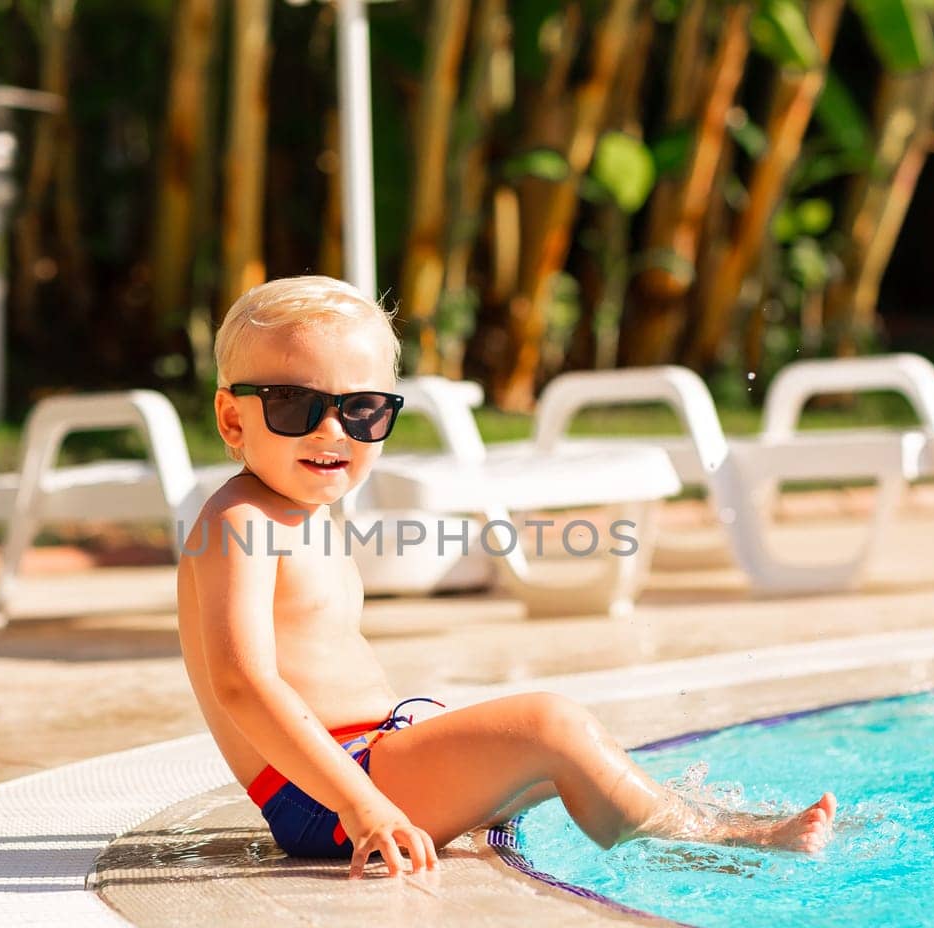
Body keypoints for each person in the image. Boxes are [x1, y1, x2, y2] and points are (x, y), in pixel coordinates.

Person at [176, 275, 835, 879]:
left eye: (362, 410)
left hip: (367, 760)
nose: (332, 429)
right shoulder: (237, 519)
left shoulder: (298, 512)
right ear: (233, 418)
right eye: (295, 404)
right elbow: (243, 683)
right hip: (326, 793)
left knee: (554, 753)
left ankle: (681, 815)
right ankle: (701, 840)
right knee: (549, 724)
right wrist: (363, 806)